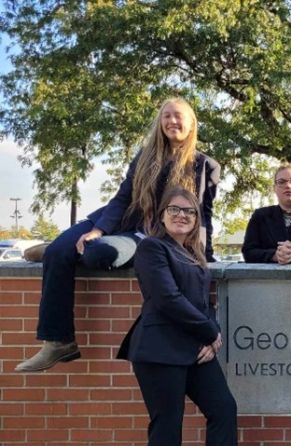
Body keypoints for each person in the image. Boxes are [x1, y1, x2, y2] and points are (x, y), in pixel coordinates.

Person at [16, 98, 220, 372]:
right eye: (166, 116)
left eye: (178, 116)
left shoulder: (204, 164)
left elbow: (202, 214)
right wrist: (98, 229)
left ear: (192, 123)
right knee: (59, 251)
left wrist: (202, 256)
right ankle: (58, 342)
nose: (172, 121)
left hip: (146, 234)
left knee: (98, 253)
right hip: (118, 218)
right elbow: (123, 197)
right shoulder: (145, 156)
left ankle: (66, 250)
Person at [118, 188, 265, 446]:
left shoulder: (195, 255)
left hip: (195, 351)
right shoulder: (151, 248)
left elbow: (204, 304)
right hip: (159, 350)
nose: (182, 215)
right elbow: (167, 299)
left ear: (197, 219)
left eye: (189, 212)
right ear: (162, 215)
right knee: (168, 425)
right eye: (175, 209)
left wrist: (212, 336)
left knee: (223, 408)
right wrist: (209, 333)